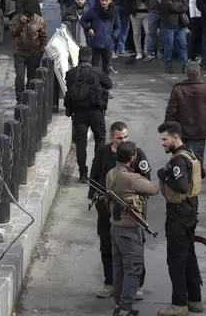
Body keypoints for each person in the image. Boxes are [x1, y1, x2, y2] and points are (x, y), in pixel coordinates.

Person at [90, 122, 151, 300]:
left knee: (134, 248)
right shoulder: (102, 154)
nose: (123, 140)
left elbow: (147, 181)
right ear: (111, 138)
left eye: (125, 137)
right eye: (119, 138)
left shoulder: (137, 155)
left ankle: (137, 285)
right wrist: (98, 198)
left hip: (130, 212)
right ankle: (110, 283)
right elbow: (94, 178)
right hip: (107, 211)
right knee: (107, 247)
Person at [156, 122, 204, 316]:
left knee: (176, 259)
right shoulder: (191, 154)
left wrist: (164, 176)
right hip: (191, 212)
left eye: (165, 139)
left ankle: (179, 304)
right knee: (189, 256)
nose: (162, 143)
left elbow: (183, 186)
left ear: (176, 138)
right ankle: (195, 300)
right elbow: (201, 175)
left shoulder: (177, 160)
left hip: (178, 214)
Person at [107, 141, 159, 316]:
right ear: (132, 157)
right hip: (129, 229)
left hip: (115, 228)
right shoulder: (131, 178)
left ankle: (119, 304)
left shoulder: (111, 173)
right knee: (133, 268)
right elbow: (153, 189)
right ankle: (126, 308)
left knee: (119, 267)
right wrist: (142, 174)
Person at [165, 61, 206, 175]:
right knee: (197, 157)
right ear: (199, 74)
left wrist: (167, 130)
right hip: (200, 130)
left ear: (186, 74)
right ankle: (195, 182)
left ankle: (182, 179)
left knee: (180, 156)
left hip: (181, 130)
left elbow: (170, 112)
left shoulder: (177, 89)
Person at [64, 47, 112, 182]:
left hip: (78, 113)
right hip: (96, 112)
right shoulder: (96, 72)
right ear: (90, 57)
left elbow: (68, 88)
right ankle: (96, 174)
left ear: (79, 57)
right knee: (100, 140)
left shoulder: (71, 73)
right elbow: (109, 84)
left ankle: (82, 174)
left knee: (81, 143)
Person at [9, 3, 48, 105]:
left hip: (34, 54)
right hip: (20, 53)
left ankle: (30, 97)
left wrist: (41, 50)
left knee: (32, 77)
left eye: (29, 17)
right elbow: (12, 33)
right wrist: (21, 24)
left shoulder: (39, 20)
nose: (28, 19)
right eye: (26, 16)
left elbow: (44, 36)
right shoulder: (16, 19)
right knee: (20, 76)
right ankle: (20, 98)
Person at [80, 0, 121, 74]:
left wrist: (113, 37)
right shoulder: (93, 11)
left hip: (108, 43)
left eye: (106, 1)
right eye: (102, 0)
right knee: (94, 66)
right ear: (99, 0)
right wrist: (88, 29)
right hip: (95, 42)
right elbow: (83, 20)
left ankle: (105, 83)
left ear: (110, 1)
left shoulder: (114, 12)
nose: (104, 2)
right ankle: (94, 83)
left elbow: (118, 27)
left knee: (107, 66)